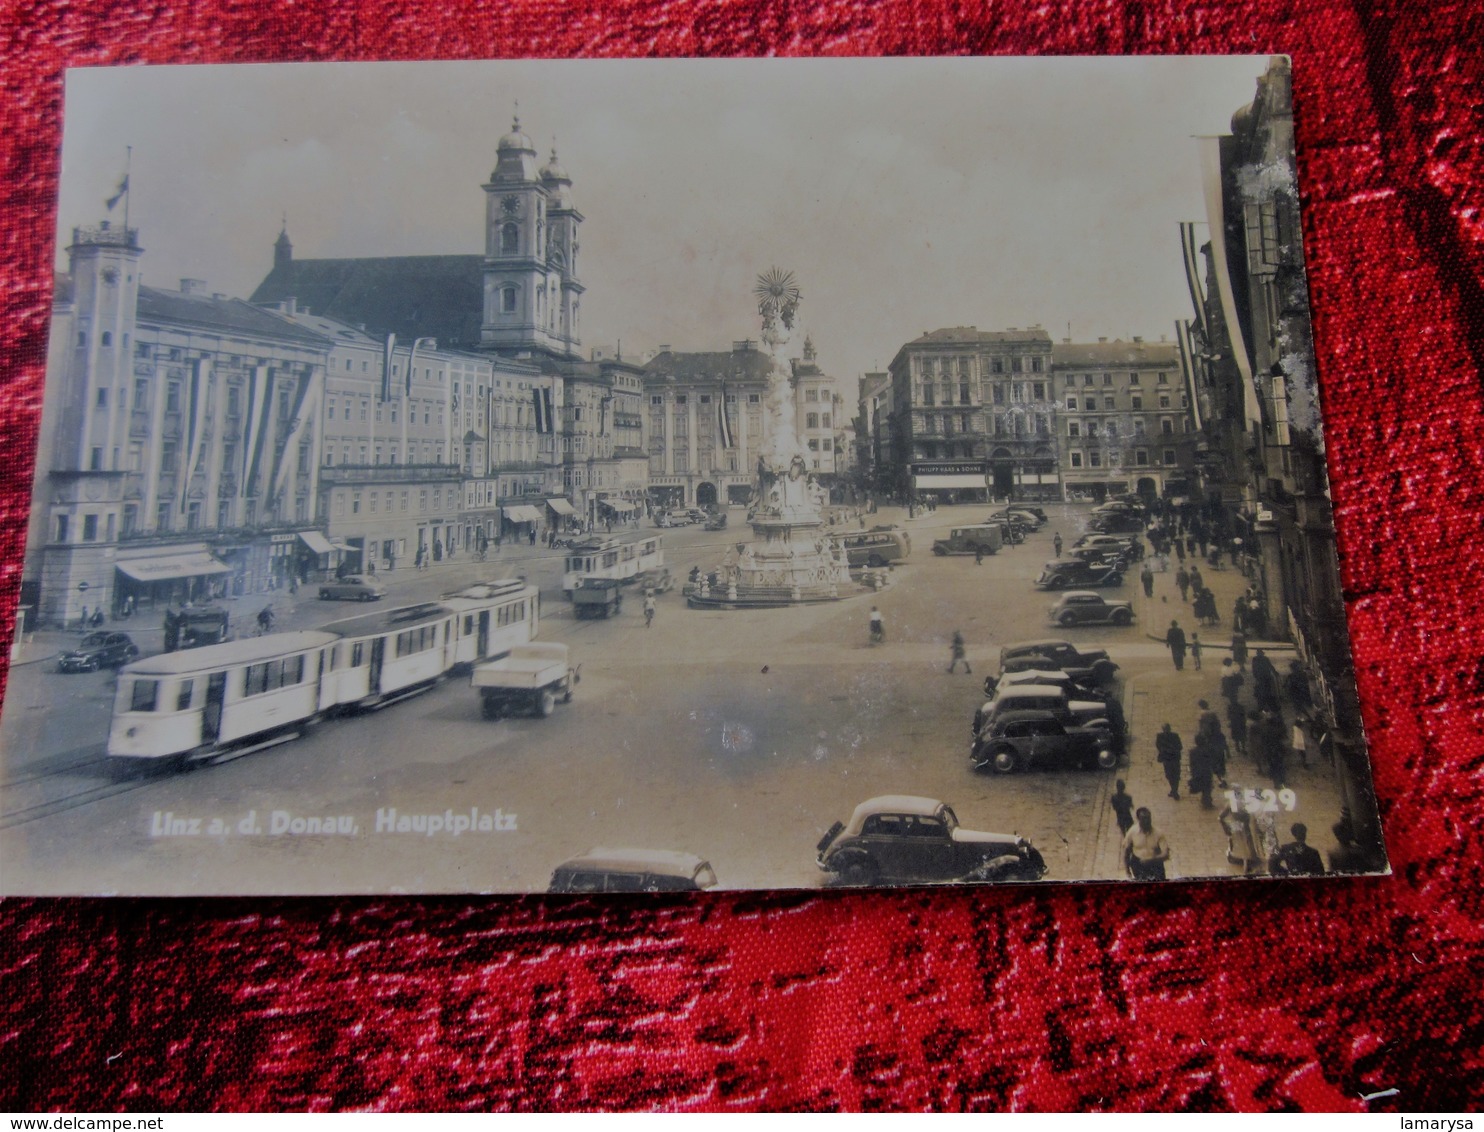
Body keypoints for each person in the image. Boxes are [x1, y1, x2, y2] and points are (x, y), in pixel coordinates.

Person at [1122, 807, 1172, 881]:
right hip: (1138, 864)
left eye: (1148, 818)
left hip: (1156, 865)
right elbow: (1127, 851)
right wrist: (1127, 869)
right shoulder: (1132, 832)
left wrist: (1151, 860)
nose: (1147, 821)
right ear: (1138, 819)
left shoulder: (1158, 833)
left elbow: (1166, 854)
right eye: (1144, 819)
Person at [1155, 723, 1183, 799]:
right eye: (1165, 729)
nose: (1166, 730)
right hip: (1166, 759)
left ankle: (1174, 791)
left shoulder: (1175, 736)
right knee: (1169, 775)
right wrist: (1166, 750)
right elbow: (1158, 746)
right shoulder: (1160, 736)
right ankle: (1174, 790)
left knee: (1176, 775)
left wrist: (1173, 750)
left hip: (1174, 758)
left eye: (1167, 729)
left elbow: (1180, 746)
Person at [1251, 649, 1281, 713]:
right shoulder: (1262, 659)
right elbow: (1254, 668)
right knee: (1264, 691)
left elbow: (1254, 668)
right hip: (1263, 677)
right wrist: (1274, 672)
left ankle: (1263, 705)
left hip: (1264, 677)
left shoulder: (1257, 659)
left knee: (1264, 690)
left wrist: (1274, 672)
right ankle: (1265, 705)